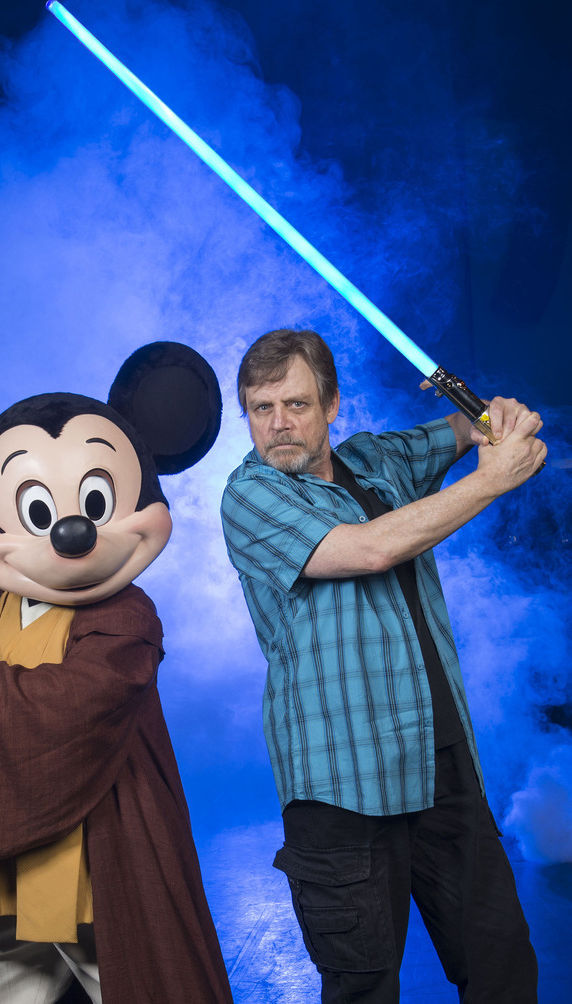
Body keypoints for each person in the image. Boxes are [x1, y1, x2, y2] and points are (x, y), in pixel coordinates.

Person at [220, 328, 545, 1003]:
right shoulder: (249, 497)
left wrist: (496, 417)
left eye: (296, 404)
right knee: (363, 989)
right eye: (260, 408)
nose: (278, 424)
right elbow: (368, 550)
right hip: (343, 786)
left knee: (503, 968)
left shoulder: (378, 461)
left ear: (332, 404)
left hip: (440, 762)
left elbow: (468, 426)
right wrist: (492, 481)